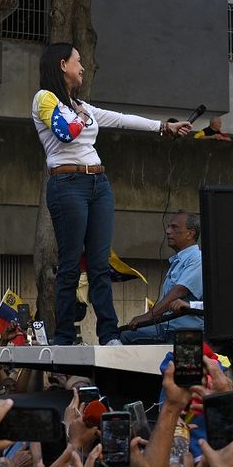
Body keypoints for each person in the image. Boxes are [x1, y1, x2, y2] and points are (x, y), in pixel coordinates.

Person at [32, 42, 191, 346]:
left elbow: (118, 118)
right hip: (67, 186)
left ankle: (108, 334)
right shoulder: (44, 98)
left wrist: (162, 126)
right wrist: (80, 114)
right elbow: (65, 132)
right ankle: (64, 335)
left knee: (100, 264)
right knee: (69, 265)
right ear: (62, 64)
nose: (83, 67)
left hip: (98, 185)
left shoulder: (81, 105)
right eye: (78, 61)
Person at [121, 210, 204, 343]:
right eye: (168, 226)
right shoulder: (179, 261)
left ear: (191, 233)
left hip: (184, 333)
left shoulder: (197, 260)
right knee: (124, 332)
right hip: (167, 328)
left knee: (126, 335)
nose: (168, 231)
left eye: (174, 227)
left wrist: (147, 317)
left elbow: (179, 291)